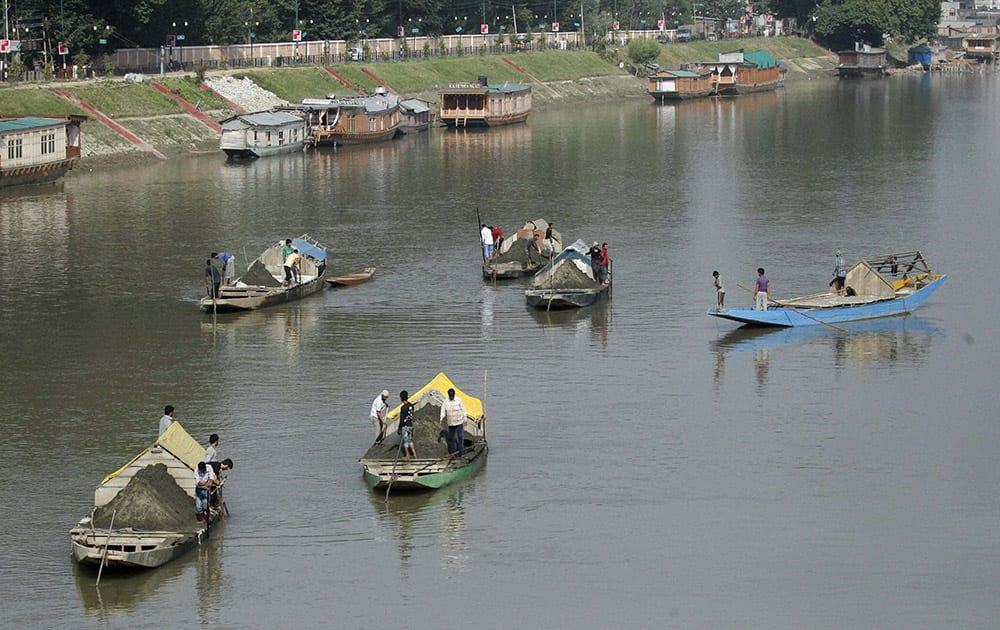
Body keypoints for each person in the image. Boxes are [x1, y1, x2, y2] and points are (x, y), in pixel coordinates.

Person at [439, 388, 467, 457]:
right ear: (448, 395)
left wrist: (465, 419)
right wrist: (441, 419)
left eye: (452, 396)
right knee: (451, 438)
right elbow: (443, 411)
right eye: (450, 396)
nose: (451, 397)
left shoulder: (458, 400)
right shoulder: (446, 402)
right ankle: (453, 453)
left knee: (460, 437)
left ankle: (461, 453)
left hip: (459, 422)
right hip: (451, 423)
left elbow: (463, 410)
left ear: (454, 395)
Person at [397, 390, 417, 460]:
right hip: (410, 425)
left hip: (405, 426)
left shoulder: (403, 407)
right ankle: (414, 454)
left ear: (401, 398)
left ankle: (407, 455)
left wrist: (399, 428)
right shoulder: (411, 406)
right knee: (410, 440)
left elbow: (402, 419)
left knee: (405, 441)